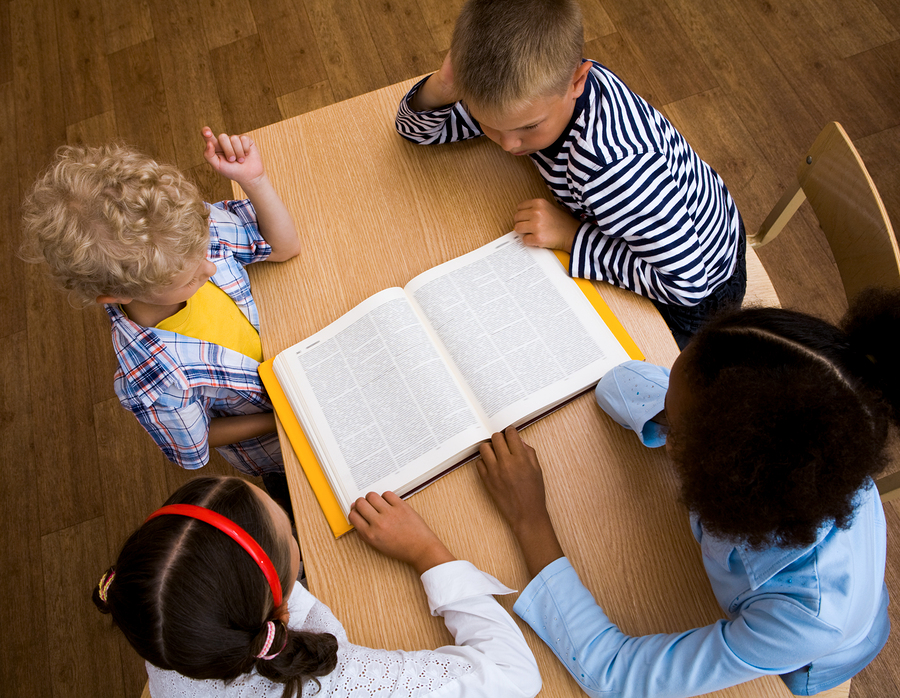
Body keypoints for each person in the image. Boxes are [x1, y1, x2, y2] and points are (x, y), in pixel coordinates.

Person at [477, 288, 898, 697]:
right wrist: (680, 413)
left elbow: (614, 674)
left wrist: (529, 518)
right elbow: (619, 382)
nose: (665, 409)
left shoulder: (806, 618)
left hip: (809, 659)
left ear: (729, 473)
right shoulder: (816, 435)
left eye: (675, 431)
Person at [395, 0, 746, 348]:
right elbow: (420, 132)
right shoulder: (530, 94)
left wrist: (573, 237)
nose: (508, 144)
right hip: (656, 236)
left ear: (578, 80)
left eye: (528, 128)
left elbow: (687, 285)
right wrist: (441, 88)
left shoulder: (611, 171)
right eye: (487, 123)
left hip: (695, 298)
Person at [93, 475, 542, 698]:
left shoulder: (163, 625)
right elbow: (516, 677)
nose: (294, 534)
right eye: (290, 530)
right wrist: (428, 553)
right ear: (281, 608)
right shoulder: (333, 681)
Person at [21, 130, 300, 483]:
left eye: (202, 253)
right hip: (279, 445)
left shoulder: (179, 237)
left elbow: (283, 247)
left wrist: (254, 181)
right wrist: (287, 413)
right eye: (187, 281)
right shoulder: (153, 381)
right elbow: (195, 447)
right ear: (117, 294)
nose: (210, 267)